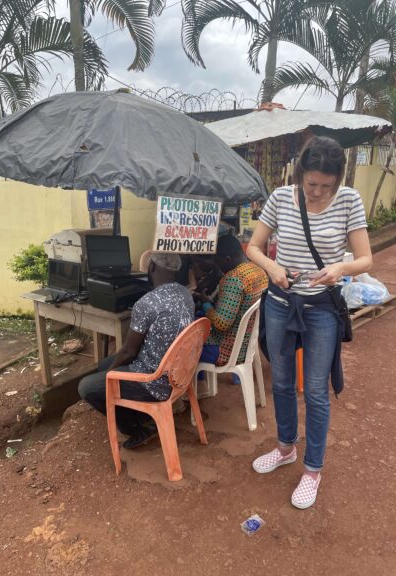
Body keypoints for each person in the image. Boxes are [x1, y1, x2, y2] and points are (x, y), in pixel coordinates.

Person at [247, 136, 373, 509]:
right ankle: (285, 447)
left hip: (321, 309)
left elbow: (365, 259)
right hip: (282, 303)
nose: (317, 192)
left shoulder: (349, 200)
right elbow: (253, 246)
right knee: (283, 382)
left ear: (338, 180)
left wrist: (340, 267)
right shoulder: (281, 198)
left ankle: (313, 469)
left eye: (325, 186)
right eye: (311, 183)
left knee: (316, 390)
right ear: (300, 174)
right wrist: (274, 268)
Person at [78, 251, 195, 449]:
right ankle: (139, 414)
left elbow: (128, 352)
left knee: (87, 387)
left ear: (151, 267)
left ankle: (138, 429)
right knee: (103, 364)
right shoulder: (185, 293)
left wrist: (110, 377)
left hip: (156, 381)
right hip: (179, 373)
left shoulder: (147, 302)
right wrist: (110, 370)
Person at [195, 233, 267, 371]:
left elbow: (222, 323)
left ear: (227, 259)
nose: (216, 265)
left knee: (182, 344)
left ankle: (195, 387)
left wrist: (205, 303)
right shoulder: (259, 271)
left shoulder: (233, 279)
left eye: (217, 261)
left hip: (226, 350)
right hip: (247, 344)